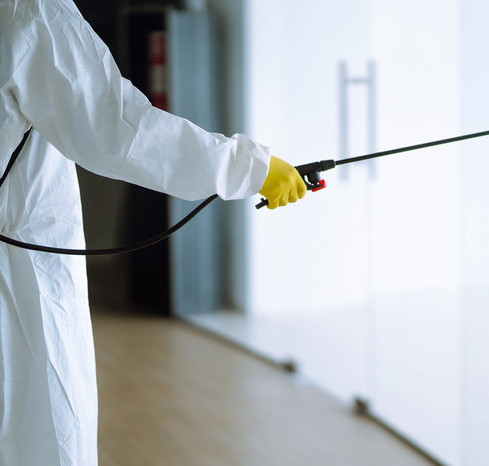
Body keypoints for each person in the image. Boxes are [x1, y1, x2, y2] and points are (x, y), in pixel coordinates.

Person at [0, 0, 306, 464]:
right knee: (41, 425)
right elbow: (119, 127)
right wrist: (251, 169)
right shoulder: (28, 9)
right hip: (19, 277)